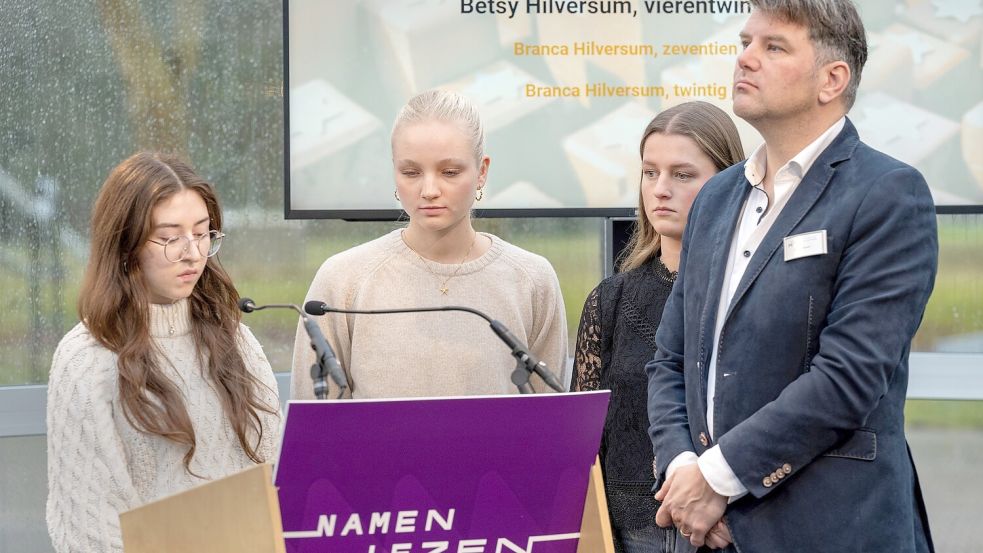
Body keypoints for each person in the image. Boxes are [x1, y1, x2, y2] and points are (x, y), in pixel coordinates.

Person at [647, 0, 937, 551]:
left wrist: (717, 479)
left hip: (831, 530)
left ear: (832, 79)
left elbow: (847, 379)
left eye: (773, 46)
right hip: (706, 532)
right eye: (744, 43)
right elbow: (670, 359)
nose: (745, 60)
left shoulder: (887, 195)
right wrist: (685, 468)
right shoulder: (716, 197)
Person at [46, 152, 281, 553]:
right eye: (170, 238)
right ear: (125, 244)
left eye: (204, 233)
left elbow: (274, 476)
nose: (192, 253)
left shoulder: (235, 338)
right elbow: (89, 529)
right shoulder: (87, 359)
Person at [291, 90, 567, 399]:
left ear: (482, 172)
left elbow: (548, 420)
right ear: (393, 171)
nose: (429, 190)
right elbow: (316, 422)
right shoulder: (343, 281)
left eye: (450, 172)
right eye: (411, 172)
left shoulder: (531, 280)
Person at [573, 101, 744, 553]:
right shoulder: (610, 300)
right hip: (628, 535)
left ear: (728, 181)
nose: (660, 190)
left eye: (682, 174)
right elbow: (584, 445)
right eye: (651, 173)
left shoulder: (752, 296)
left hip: (728, 534)